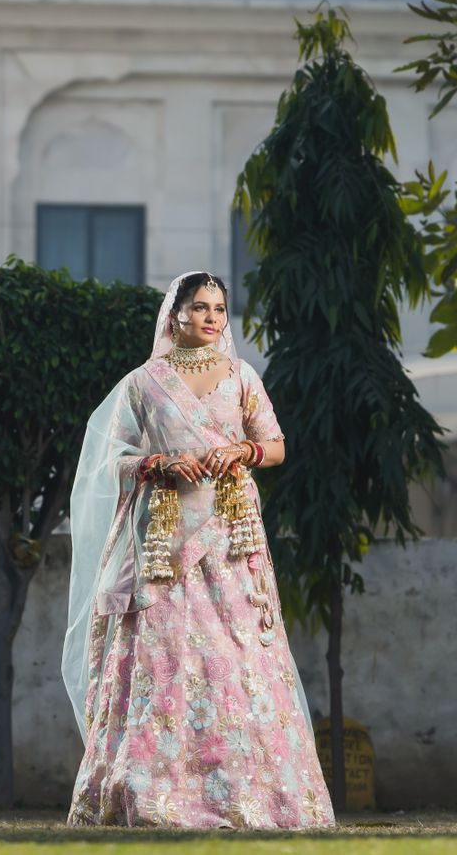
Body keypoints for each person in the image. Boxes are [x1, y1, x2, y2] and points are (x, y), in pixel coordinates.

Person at [62, 269, 335, 830]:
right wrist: (156, 462)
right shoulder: (143, 383)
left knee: (239, 657)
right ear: (176, 314)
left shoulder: (242, 377)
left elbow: (277, 446)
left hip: (231, 538)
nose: (211, 317)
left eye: (219, 308)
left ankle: (258, 795)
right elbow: (107, 459)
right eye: (200, 306)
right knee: (162, 661)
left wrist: (241, 452)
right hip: (163, 541)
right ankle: (147, 790)